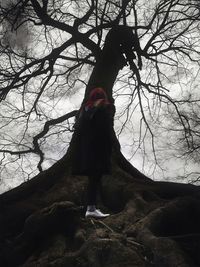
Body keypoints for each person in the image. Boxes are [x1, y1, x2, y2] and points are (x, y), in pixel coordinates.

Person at [72, 87, 114, 219]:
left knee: (92, 179)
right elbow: (107, 129)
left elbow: (78, 130)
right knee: (95, 179)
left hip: (86, 151)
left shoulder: (84, 110)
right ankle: (91, 209)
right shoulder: (105, 107)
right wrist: (112, 145)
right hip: (99, 150)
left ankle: (90, 207)